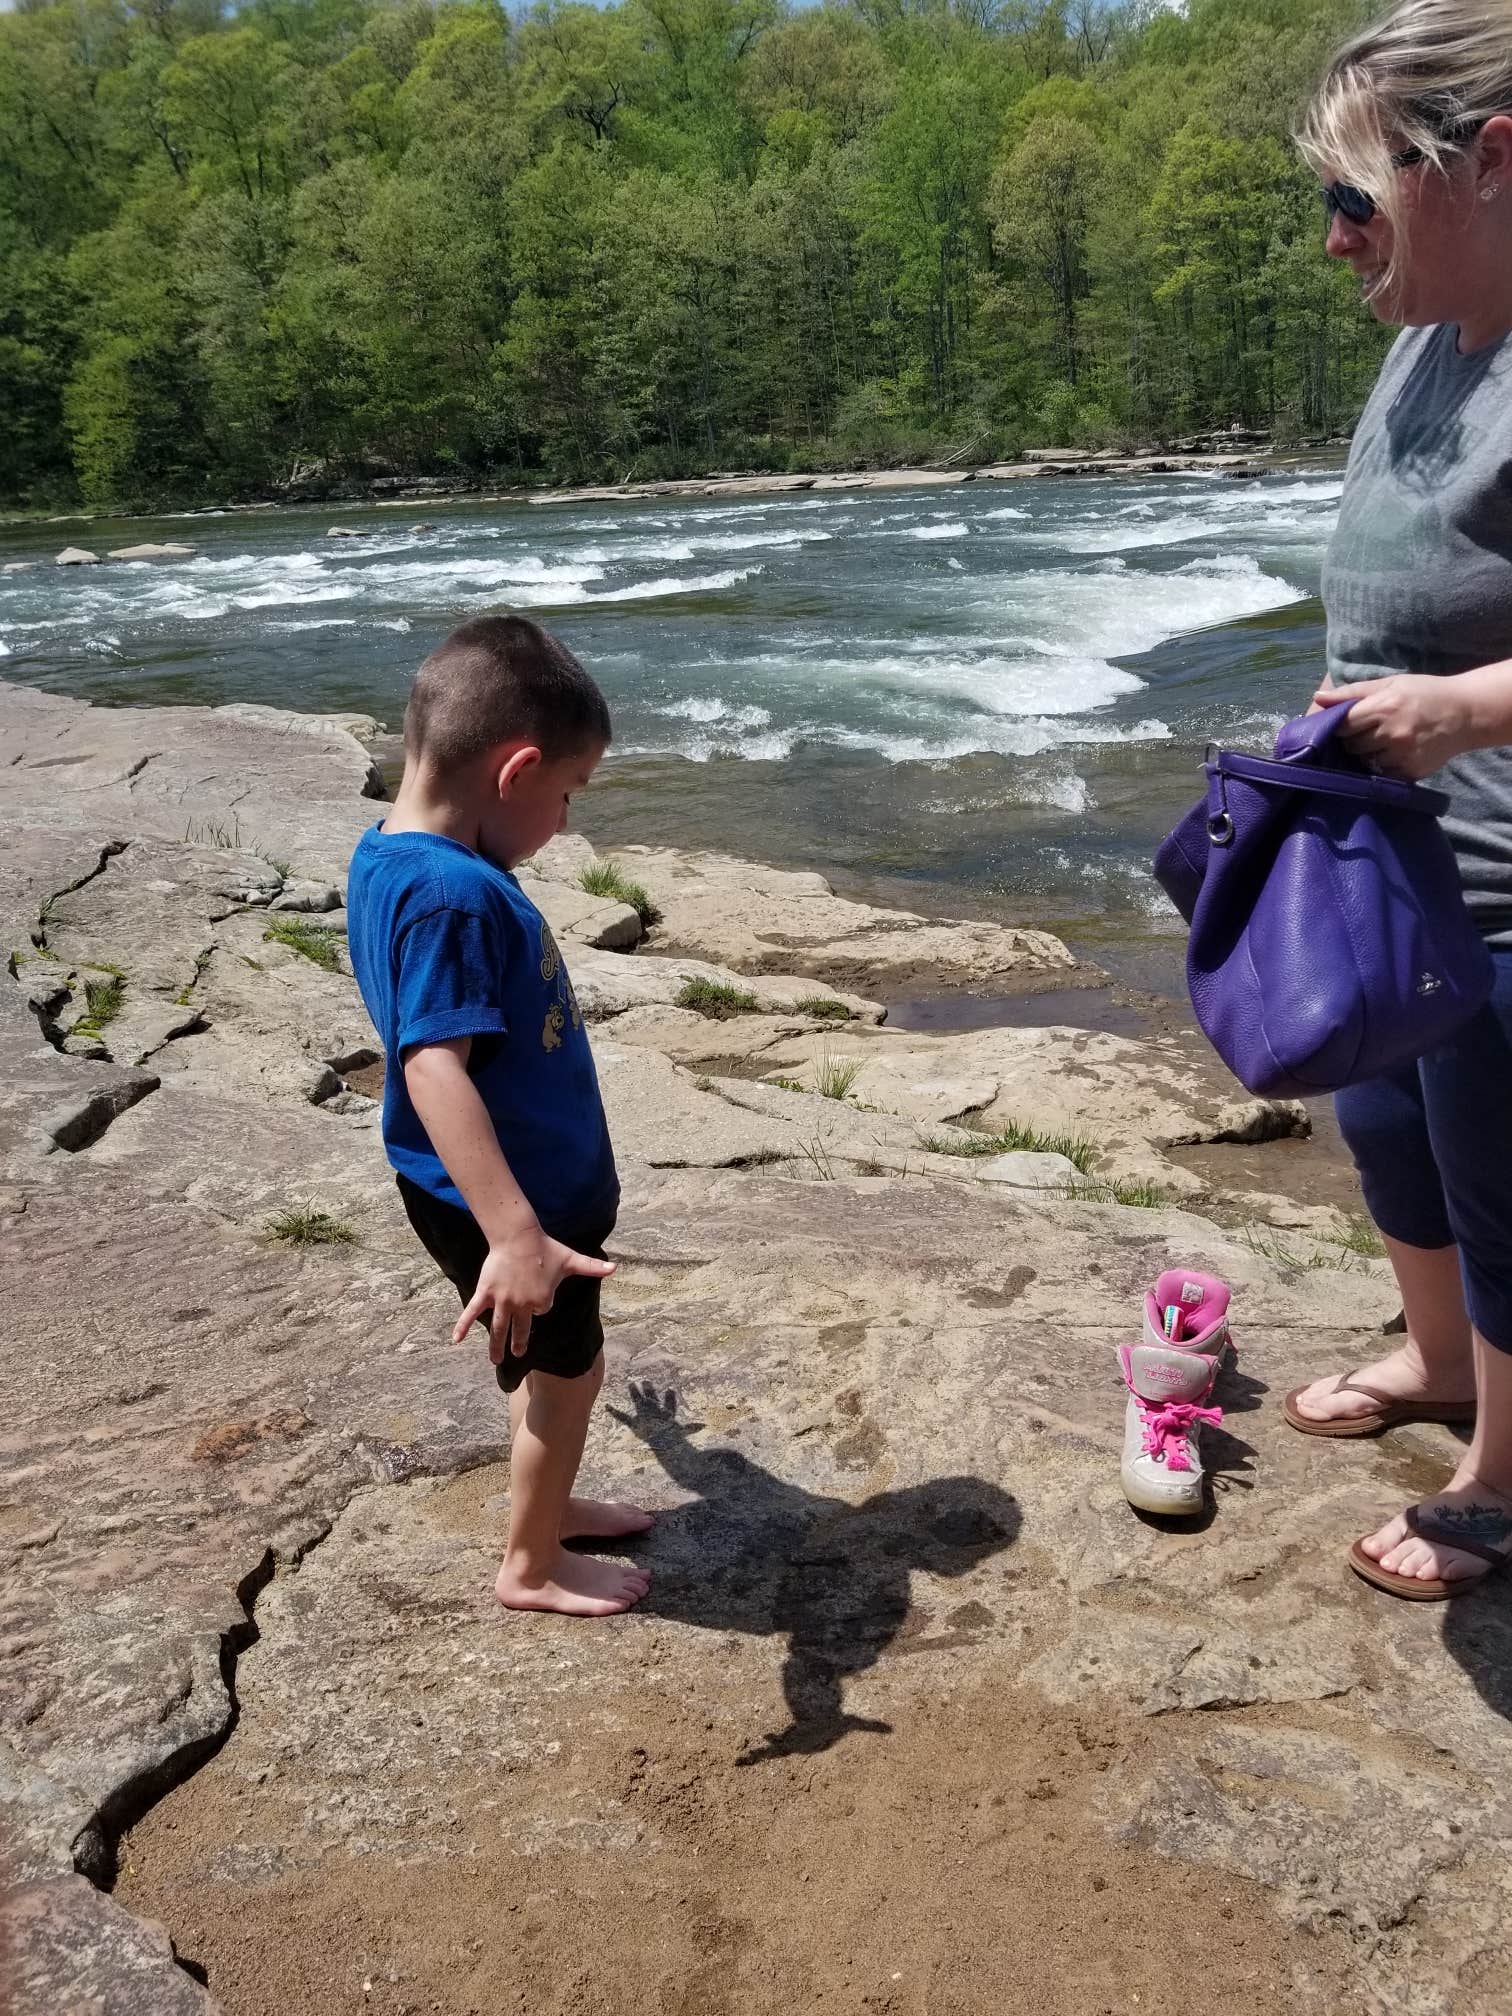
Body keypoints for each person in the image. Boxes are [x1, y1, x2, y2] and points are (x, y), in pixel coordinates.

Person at [1283, 0, 1512, 1597]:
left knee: (1502, 1171)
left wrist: (1467, 710)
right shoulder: (1425, 342)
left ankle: (1506, 1470)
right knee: (1389, 1124)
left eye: (1356, 197)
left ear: (1492, 161)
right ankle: (1438, 1362)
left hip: (1503, 882)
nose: (1335, 238)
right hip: (1392, 867)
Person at [347, 613, 652, 1617]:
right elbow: (432, 1065)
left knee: (544, 1370)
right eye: (568, 794)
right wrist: (515, 1236)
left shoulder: (391, 854)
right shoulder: (453, 898)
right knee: (569, 1378)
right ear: (516, 773)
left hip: (494, 1195)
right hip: (521, 1208)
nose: (564, 818)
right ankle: (532, 1563)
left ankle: (546, 1501)